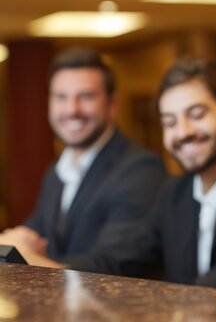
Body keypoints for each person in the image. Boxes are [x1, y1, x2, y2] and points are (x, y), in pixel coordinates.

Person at [93, 57, 216, 287]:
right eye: (170, 122)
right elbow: (127, 257)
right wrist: (56, 269)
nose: (183, 132)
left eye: (196, 115)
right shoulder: (174, 192)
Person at [0, 47, 167, 269]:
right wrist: (19, 241)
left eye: (86, 96)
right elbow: (33, 231)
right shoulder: (57, 170)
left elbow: (112, 269)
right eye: (61, 97)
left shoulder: (141, 170)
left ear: (112, 105)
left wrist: (20, 254)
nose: (72, 109)